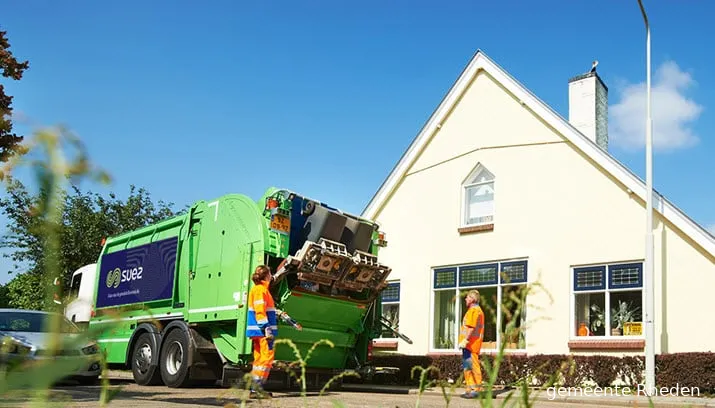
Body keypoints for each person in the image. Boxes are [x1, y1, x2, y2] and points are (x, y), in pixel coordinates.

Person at [246, 264, 278, 398]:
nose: (271, 276)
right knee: (267, 358)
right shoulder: (261, 290)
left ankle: (255, 389)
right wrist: (267, 328)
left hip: (257, 332)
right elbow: (260, 311)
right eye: (270, 273)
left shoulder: (259, 289)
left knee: (259, 360)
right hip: (263, 331)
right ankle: (257, 388)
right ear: (266, 276)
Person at [458, 289, 484, 399]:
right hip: (469, 345)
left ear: (472, 299)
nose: (465, 299)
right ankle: (470, 389)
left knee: (473, 366)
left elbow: (471, 328)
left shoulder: (474, 311)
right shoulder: (473, 310)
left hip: (471, 345)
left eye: (467, 297)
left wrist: (465, 340)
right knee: (468, 367)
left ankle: (476, 390)